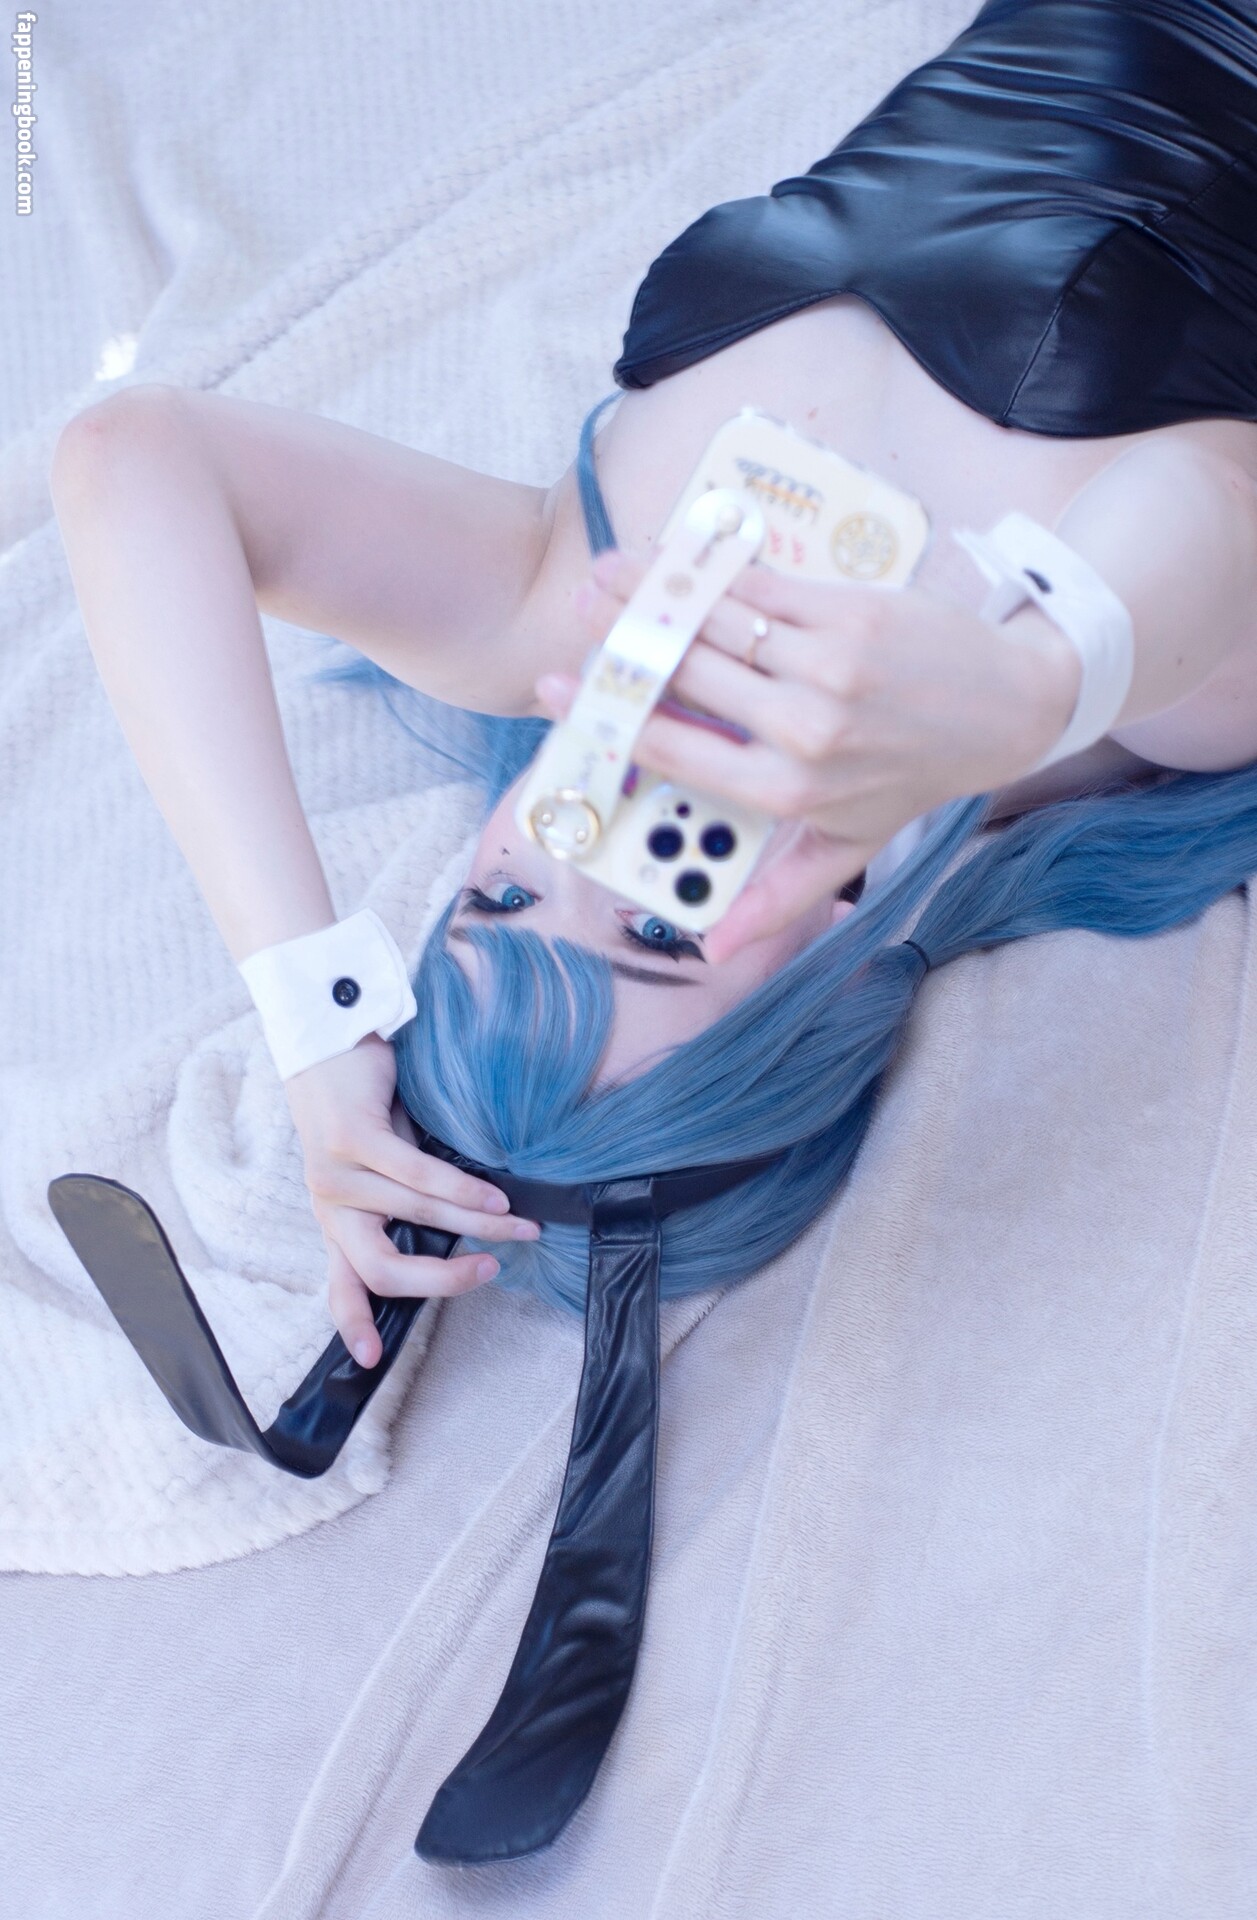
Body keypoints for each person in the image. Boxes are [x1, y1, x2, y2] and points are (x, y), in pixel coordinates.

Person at [49, 0, 1257, 1373]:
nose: (584, 836)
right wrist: (1037, 680)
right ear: (832, 963)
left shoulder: (550, 607)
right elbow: (1218, 506)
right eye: (661, 925)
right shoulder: (1156, 695)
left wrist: (312, 1005)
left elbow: (133, 457)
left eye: (507, 895)